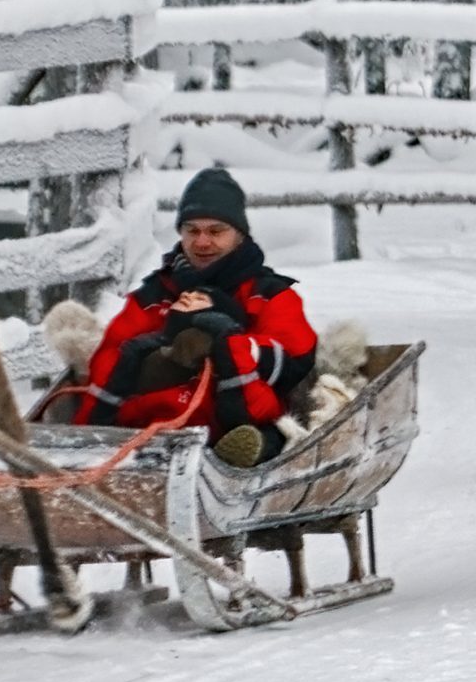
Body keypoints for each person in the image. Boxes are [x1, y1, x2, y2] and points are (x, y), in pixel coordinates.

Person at [71, 167, 318, 467]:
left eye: (216, 231)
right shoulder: (153, 296)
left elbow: (294, 359)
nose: (202, 242)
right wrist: (162, 344)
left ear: (239, 236)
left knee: (265, 432)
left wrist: (227, 338)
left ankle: (237, 455)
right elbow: (108, 357)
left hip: (239, 420)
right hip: (150, 425)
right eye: (192, 230)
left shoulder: (270, 295)